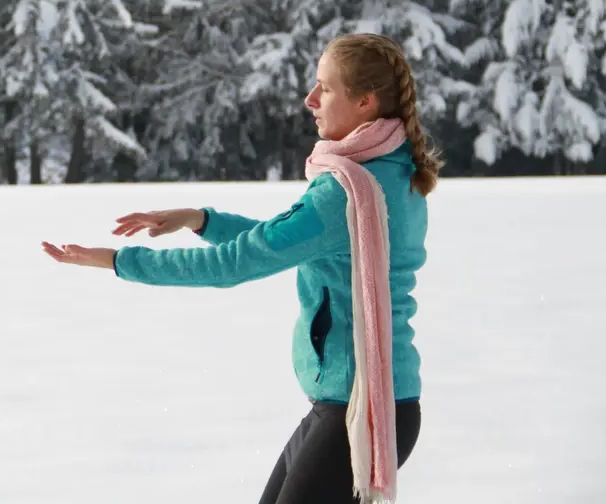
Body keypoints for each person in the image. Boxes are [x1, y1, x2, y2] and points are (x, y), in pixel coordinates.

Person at [42, 33, 442, 504]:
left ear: (364, 102)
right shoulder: (393, 174)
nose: (309, 100)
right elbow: (287, 239)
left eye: (324, 89)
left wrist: (117, 261)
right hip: (370, 402)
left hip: (358, 409)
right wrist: (202, 220)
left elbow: (237, 263)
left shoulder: (346, 193)